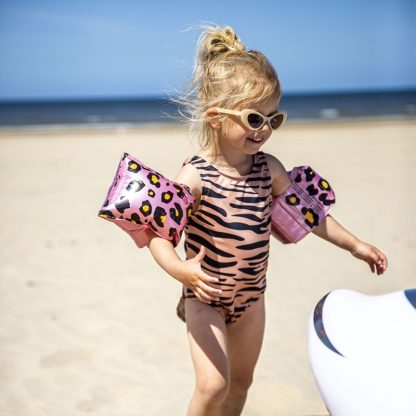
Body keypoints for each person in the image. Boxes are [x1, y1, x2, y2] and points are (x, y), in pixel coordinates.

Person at [147, 25, 388, 416]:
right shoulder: (194, 176)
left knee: (241, 385)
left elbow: (310, 216)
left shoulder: (269, 170)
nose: (265, 130)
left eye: (274, 119)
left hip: (252, 298)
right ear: (214, 116)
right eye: (255, 118)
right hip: (205, 297)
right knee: (213, 386)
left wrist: (356, 245)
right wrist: (180, 270)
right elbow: (158, 233)